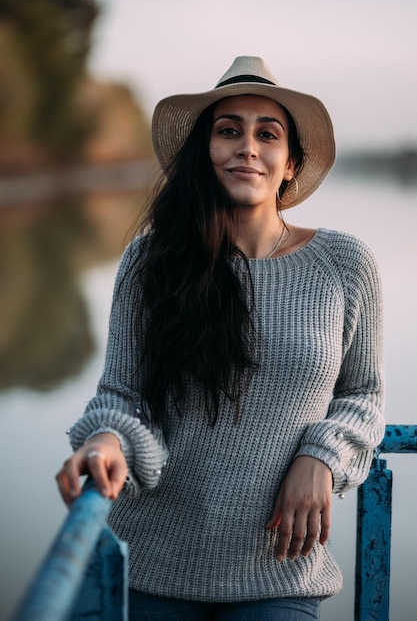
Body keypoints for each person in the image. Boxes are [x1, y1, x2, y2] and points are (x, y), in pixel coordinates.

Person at [56, 56, 385, 621]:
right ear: (203, 157)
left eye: (268, 134)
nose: (247, 146)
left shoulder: (345, 264)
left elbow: (364, 396)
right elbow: (122, 395)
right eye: (228, 130)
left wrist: (321, 457)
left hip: (279, 572)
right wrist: (105, 440)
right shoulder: (152, 260)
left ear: (290, 166)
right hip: (153, 564)